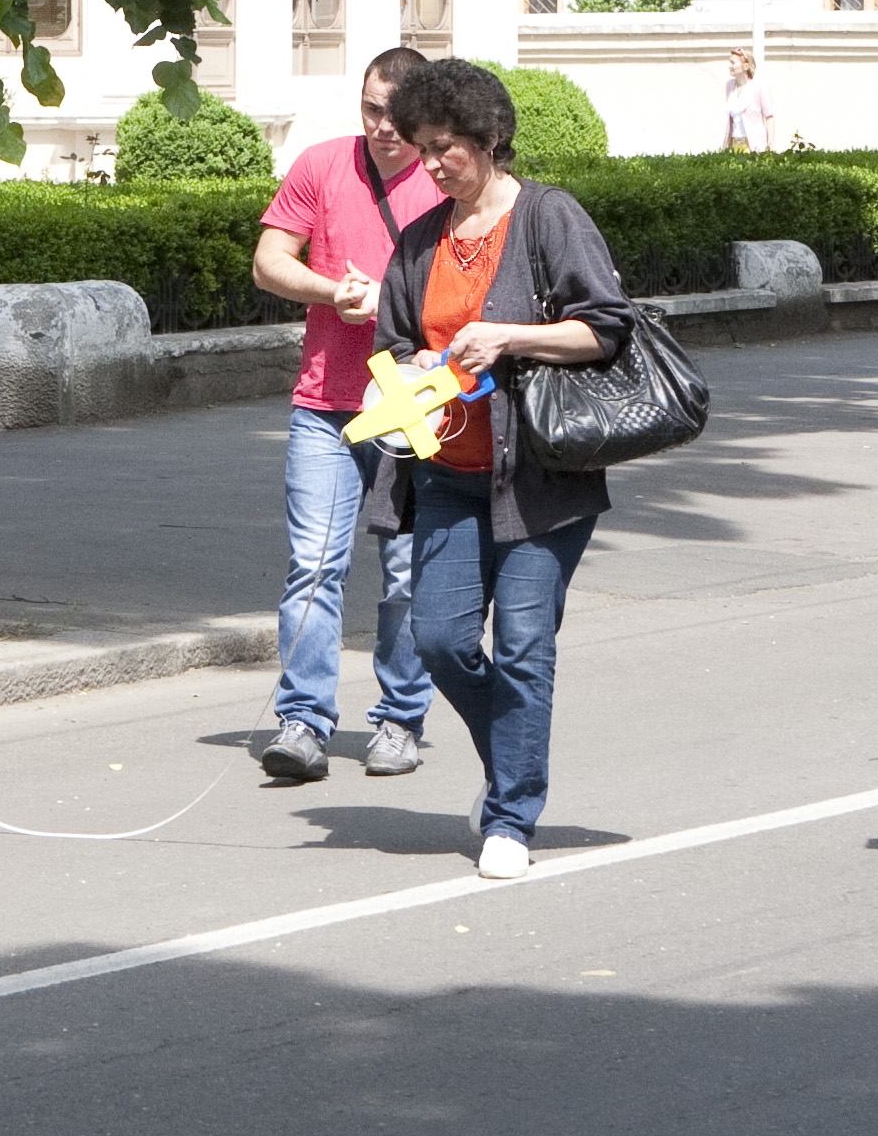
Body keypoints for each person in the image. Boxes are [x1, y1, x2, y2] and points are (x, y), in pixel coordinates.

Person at [364, 59, 631, 881]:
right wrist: (412, 368)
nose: (431, 163)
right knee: (439, 640)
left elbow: (605, 328)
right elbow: (392, 342)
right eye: (421, 148)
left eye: (444, 146)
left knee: (521, 646)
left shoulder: (548, 217)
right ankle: (509, 757)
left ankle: (511, 816)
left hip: (541, 478)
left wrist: (508, 336)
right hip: (447, 476)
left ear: (487, 138)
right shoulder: (419, 240)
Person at [249, 45, 441, 784]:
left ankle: (399, 720)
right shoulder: (323, 165)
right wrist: (332, 291)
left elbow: (478, 288)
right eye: (370, 109)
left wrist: (396, 304)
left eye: (396, 114)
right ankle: (302, 723)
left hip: (411, 409)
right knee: (313, 567)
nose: (382, 127)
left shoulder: (446, 176)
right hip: (325, 406)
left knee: (407, 574)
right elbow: (269, 261)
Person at [721, 49, 778, 154]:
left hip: (754, 145)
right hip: (733, 144)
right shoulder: (730, 85)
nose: (729, 66)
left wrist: (770, 145)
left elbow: (769, 117)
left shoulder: (760, 86)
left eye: (733, 63)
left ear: (746, 66)